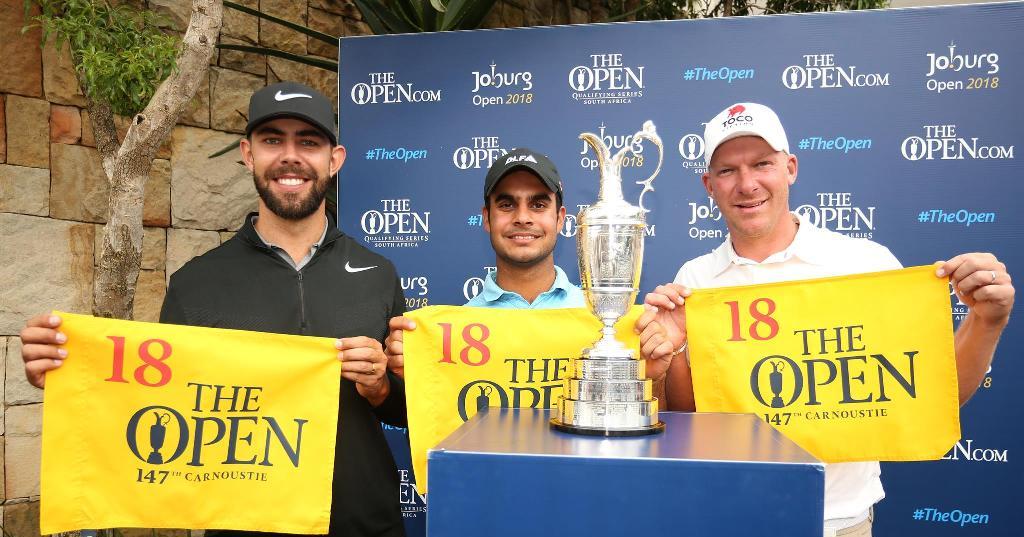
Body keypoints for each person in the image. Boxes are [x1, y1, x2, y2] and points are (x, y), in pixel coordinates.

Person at [20, 82, 408, 537]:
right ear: (247, 153)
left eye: (308, 142)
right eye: (272, 141)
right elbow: (157, 415)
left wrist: (381, 386)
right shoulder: (196, 283)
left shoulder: (378, 272)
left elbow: (402, 412)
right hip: (241, 528)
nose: (290, 156)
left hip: (363, 523)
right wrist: (70, 374)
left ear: (334, 159)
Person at [635, 102, 1015, 536]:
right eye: (727, 171)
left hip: (838, 522)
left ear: (790, 168)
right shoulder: (694, 280)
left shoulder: (865, 263)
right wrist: (662, 364)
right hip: (729, 516)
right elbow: (691, 418)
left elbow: (931, 396)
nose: (747, 184)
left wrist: (987, 321)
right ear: (708, 184)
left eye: (762, 164)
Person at [384, 148, 584, 377]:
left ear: (559, 219)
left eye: (538, 205)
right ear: (487, 218)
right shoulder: (454, 337)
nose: (522, 218)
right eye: (507, 205)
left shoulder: (602, 320)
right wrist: (413, 373)